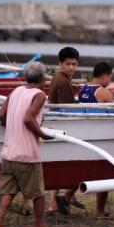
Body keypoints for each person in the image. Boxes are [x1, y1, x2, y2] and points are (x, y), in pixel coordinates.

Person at [0, 62, 53, 227]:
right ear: (42, 78)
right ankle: (40, 226)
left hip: (8, 152)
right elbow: (28, 119)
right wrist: (42, 134)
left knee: (8, 191)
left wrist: (10, 126)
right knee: (38, 192)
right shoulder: (39, 95)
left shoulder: (16, 91)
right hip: (27, 153)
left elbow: (1, 115)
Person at [54, 61, 114, 218]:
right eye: (110, 77)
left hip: (86, 134)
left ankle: (67, 197)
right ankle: (100, 211)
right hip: (102, 135)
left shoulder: (84, 89)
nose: (110, 80)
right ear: (105, 76)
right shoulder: (103, 92)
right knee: (104, 173)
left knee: (86, 170)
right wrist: (112, 97)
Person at [47, 47, 86, 213]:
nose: (71, 68)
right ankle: (60, 201)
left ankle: (54, 204)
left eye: (74, 64)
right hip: (63, 126)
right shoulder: (63, 81)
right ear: (61, 64)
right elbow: (66, 109)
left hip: (56, 125)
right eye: (68, 64)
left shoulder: (59, 78)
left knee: (60, 167)